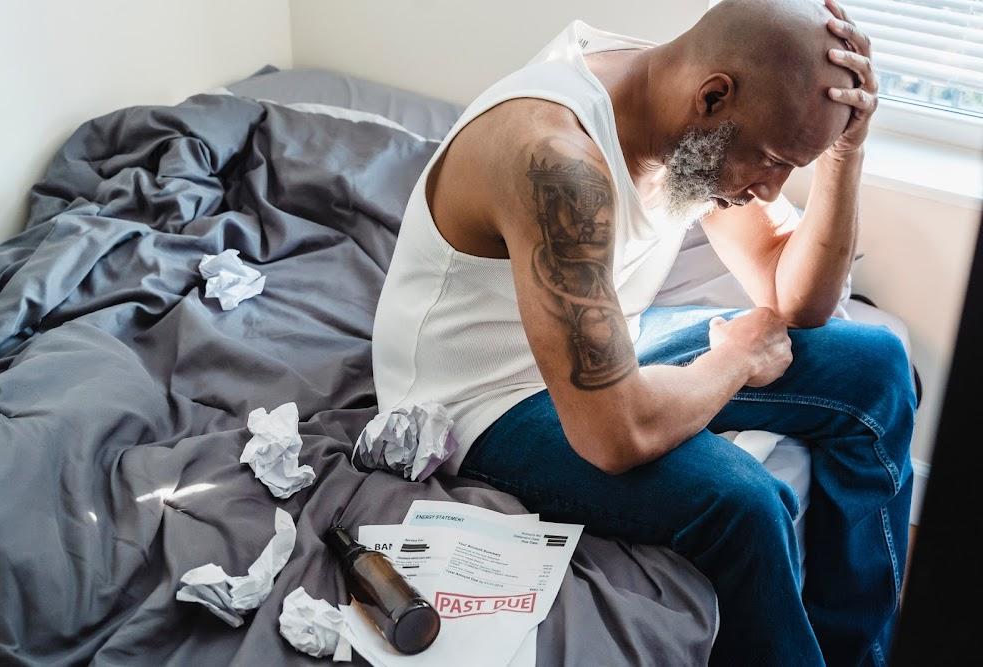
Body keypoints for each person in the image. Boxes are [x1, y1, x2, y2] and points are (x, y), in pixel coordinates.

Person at [371, 0, 916, 664]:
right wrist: (735, 362)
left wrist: (845, 155)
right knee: (744, 503)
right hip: (479, 398)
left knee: (877, 366)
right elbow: (615, 434)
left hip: (602, 346)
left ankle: (857, 651)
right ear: (711, 98)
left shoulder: (685, 116)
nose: (771, 189)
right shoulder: (555, 160)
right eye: (772, 159)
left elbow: (794, 296)